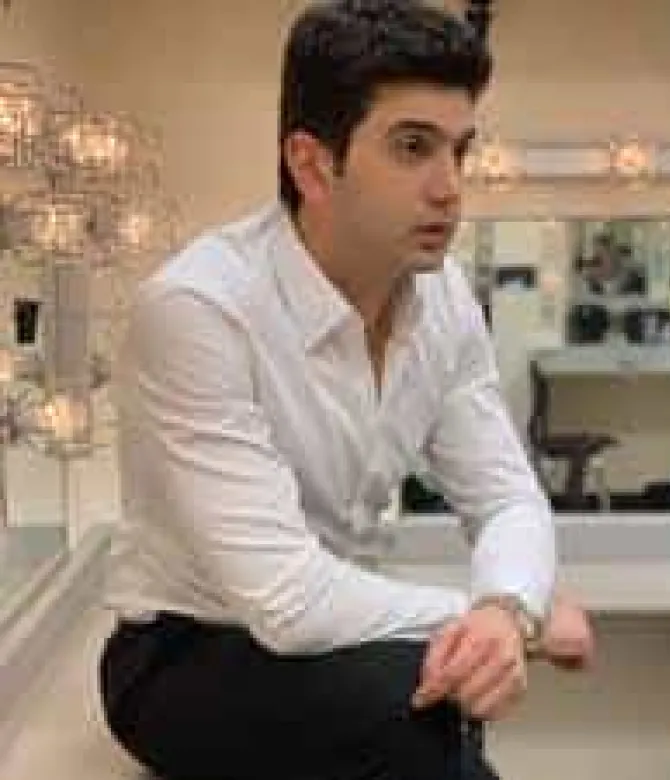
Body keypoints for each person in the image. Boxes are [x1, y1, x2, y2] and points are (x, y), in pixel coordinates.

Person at [98, 2, 594, 778]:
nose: (450, 188)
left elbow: (506, 499)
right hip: (181, 651)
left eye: (460, 150)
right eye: (412, 147)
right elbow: (286, 597)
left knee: (438, 691)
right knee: (417, 701)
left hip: (335, 638)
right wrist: (510, 618)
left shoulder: (446, 301)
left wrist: (504, 609)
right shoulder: (200, 308)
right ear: (311, 163)